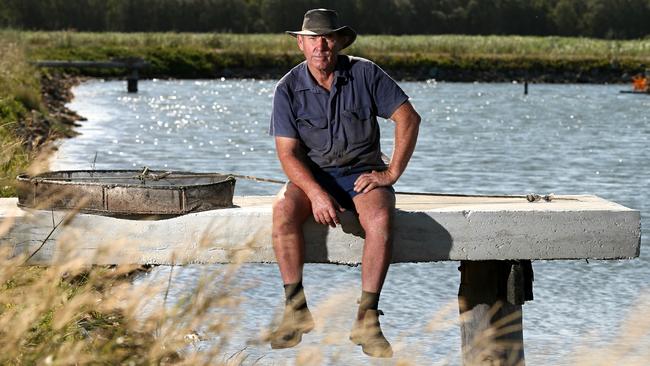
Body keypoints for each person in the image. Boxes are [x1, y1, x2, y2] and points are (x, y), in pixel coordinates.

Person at [268, 8, 420, 358]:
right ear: (300, 44)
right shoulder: (287, 88)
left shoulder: (365, 73)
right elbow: (288, 154)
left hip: (362, 173)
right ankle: (296, 311)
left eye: (328, 37)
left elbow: (408, 118)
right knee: (282, 212)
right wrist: (317, 194)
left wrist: (391, 173)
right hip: (313, 176)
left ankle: (367, 319)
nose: (321, 45)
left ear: (337, 41)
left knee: (380, 220)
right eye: (313, 39)